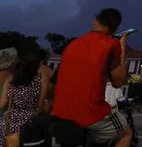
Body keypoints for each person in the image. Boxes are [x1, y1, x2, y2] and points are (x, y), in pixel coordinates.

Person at [51, 8, 133, 147]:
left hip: (60, 112)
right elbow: (118, 82)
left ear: (96, 21)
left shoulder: (73, 44)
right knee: (126, 133)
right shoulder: (110, 44)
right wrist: (122, 47)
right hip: (91, 113)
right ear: (112, 28)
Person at [1, 46, 51, 147]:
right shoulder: (42, 79)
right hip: (28, 123)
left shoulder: (12, 78)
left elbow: (2, 104)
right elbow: (40, 106)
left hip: (7, 120)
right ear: (40, 63)